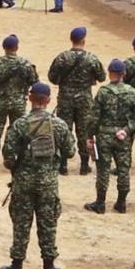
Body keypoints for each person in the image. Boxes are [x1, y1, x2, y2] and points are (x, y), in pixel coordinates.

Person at [0, 81, 70, 269]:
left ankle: (17, 265)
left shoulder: (19, 124)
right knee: (48, 223)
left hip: (23, 182)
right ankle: (49, 267)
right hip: (48, 183)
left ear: (30, 98)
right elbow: (71, 152)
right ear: (48, 100)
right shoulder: (59, 125)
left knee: (21, 222)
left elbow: (8, 157)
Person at [87, 59, 135, 214]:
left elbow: (94, 118)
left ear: (109, 73)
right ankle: (121, 203)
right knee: (123, 170)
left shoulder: (103, 92)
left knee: (103, 170)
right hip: (123, 137)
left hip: (104, 136)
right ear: (124, 73)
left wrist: (89, 135)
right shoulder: (132, 92)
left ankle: (100, 203)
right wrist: (127, 130)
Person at [46, 27, 104, 176]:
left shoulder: (62, 57)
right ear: (84, 40)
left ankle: (63, 164)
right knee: (84, 131)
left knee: (64, 129)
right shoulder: (91, 58)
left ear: (71, 40)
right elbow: (101, 77)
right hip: (84, 99)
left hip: (65, 98)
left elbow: (52, 77)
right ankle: (84, 165)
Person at [0, 35, 37, 176]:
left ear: (4, 48)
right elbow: (35, 82)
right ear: (17, 47)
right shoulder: (25, 64)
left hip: (0, 103)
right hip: (18, 103)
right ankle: (14, 161)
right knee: (17, 132)